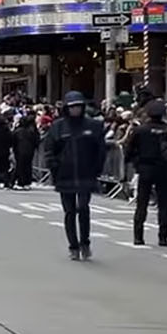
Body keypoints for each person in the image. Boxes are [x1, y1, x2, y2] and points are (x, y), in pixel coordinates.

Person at [42, 91, 107, 260]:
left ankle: (85, 242)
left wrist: (96, 169)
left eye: (78, 106)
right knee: (69, 212)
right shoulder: (58, 127)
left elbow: (100, 150)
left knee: (83, 208)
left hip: (86, 174)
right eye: (72, 107)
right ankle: (73, 245)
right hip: (65, 175)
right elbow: (49, 150)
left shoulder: (93, 126)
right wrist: (54, 168)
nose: (75, 110)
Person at [124, 100, 167, 246]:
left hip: (145, 168)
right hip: (164, 168)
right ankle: (163, 237)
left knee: (142, 203)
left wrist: (134, 162)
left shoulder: (141, 130)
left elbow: (129, 148)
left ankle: (138, 236)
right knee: (163, 204)